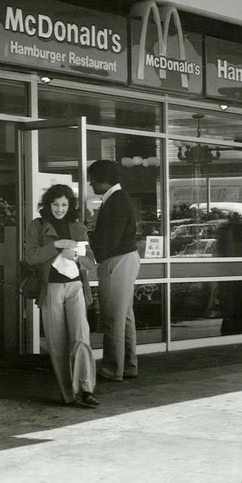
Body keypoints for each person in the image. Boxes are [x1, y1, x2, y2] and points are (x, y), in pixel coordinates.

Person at [24, 184, 100, 408]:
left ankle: (86, 390)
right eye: (55, 204)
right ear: (48, 205)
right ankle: (69, 395)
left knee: (81, 338)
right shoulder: (37, 226)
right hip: (51, 289)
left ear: (71, 205)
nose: (60, 209)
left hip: (75, 287)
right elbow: (31, 258)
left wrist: (75, 256)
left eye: (64, 204)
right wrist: (56, 245)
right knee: (57, 345)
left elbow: (90, 262)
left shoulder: (78, 228)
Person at [88, 160, 141, 381]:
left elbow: (108, 242)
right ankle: (128, 366)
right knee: (124, 316)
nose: (91, 185)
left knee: (112, 317)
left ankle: (112, 370)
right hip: (126, 259)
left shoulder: (115, 202)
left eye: (93, 180)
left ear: (104, 180)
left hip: (116, 261)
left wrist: (88, 240)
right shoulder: (118, 199)